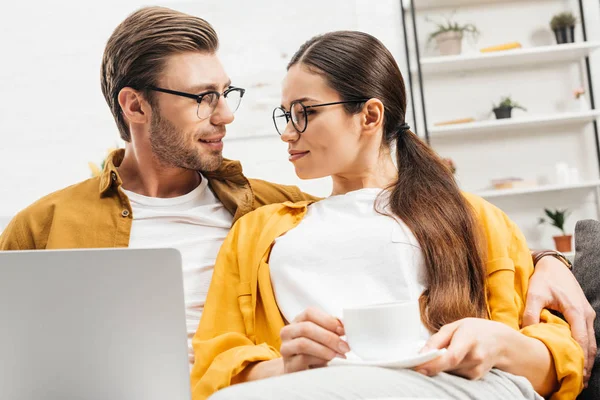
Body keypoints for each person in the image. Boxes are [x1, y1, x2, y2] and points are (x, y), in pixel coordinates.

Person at [0, 7, 594, 380]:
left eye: (226, 94)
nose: (226, 115)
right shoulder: (42, 226)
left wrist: (552, 262)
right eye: (202, 98)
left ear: (369, 114)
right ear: (135, 105)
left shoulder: (267, 212)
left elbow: (391, 220)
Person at [190, 31, 584, 400]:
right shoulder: (258, 232)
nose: (288, 133)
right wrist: (283, 367)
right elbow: (212, 370)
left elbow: (561, 366)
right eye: (286, 115)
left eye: (304, 112)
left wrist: (499, 342)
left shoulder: (475, 219)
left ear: (370, 116)